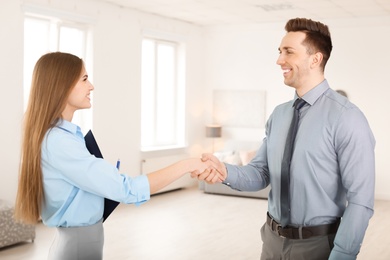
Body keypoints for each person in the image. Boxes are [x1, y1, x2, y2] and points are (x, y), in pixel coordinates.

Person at [193, 18, 375, 260]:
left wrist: (342, 255)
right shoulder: (279, 115)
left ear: (315, 59)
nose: (279, 60)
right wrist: (225, 171)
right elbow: (260, 173)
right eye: (280, 51)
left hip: (319, 247)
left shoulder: (347, 118)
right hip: (271, 242)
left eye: (288, 51)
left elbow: (360, 201)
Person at [14, 52, 214, 260]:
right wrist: (187, 165)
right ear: (61, 86)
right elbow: (127, 189)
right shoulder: (60, 142)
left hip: (79, 243)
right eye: (84, 79)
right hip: (76, 247)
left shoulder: (65, 137)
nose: (91, 86)